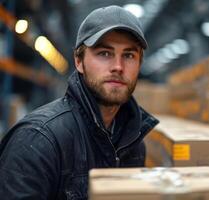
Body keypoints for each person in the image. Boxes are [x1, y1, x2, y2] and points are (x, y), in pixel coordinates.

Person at [0, 5, 159, 200]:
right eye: (104, 53)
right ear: (78, 61)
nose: (118, 67)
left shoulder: (133, 142)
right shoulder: (38, 141)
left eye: (129, 55)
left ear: (139, 64)